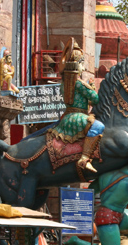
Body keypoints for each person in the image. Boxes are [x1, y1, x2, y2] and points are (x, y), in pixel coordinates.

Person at [53, 37, 104, 174]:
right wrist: (92, 89)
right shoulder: (79, 83)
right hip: (77, 117)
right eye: (82, 64)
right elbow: (95, 98)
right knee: (98, 126)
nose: (84, 67)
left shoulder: (64, 84)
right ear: (77, 65)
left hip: (67, 116)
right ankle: (85, 158)